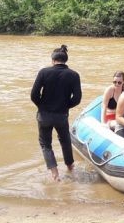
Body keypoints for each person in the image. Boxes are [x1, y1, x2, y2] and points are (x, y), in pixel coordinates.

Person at [30, 45, 82, 181]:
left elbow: (34, 94)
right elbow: (77, 99)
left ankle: (55, 173)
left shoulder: (44, 72)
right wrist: (65, 106)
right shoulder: (74, 75)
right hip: (62, 115)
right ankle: (70, 167)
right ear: (65, 60)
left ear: (53, 60)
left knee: (45, 144)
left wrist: (41, 105)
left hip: (44, 115)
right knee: (65, 140)